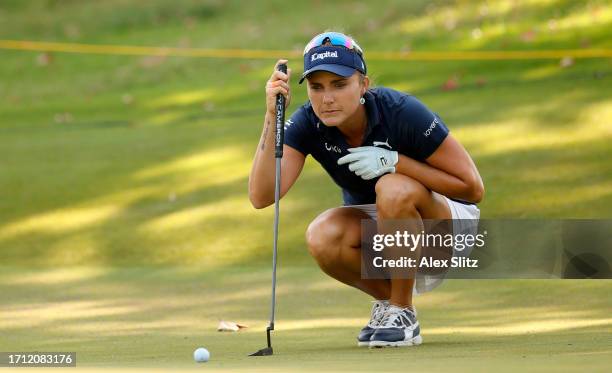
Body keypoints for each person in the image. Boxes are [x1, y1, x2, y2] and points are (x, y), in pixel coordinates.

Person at [249, 31, 484, 348]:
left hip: (446, 231)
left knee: (392, 187)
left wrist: (395, 162)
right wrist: (271, 117)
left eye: (339, 84)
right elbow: (262, 196)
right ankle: (392, 305)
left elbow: (472, 188)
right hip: (386, 236)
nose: (327, 98)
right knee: (322, 234)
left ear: (363, 85)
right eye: (317, 87)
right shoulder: (308, 123)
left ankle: (403, 312)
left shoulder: (401, 111)